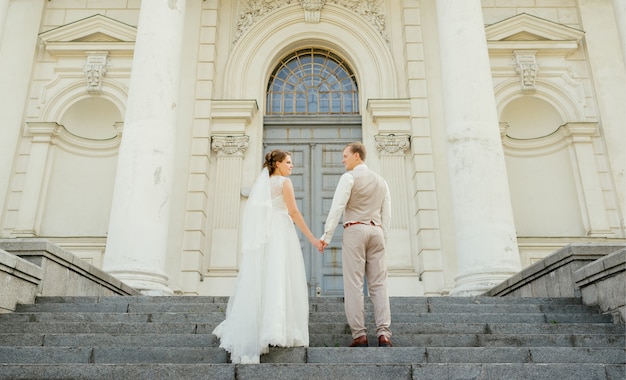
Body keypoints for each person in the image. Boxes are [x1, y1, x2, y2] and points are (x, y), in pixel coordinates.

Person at [213, 149, 324, 363]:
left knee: (264, 277)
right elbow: (293, 213)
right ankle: (276, 328)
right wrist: (312, 238)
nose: (292, 166)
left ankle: (260, 326)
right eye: (289, 162)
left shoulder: (261, 184)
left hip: (265, 236)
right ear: (278, 164)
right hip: (280, 232)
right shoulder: (284, 183)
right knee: (280, 275)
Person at [319, 142, 393, 348]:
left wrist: (327, 236)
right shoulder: (382, 181)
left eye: (345, 156)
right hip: (377, 231)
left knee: (354, 284)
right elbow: (387, 214)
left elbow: (337, 208)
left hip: (355, 230)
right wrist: (383, 239)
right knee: (379, 284)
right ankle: (384, 333)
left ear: (357, 156)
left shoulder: (349, 178)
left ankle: (360, 334)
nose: (343, 160)